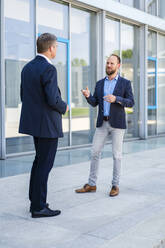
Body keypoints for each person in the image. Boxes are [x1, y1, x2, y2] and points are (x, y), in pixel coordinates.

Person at [19, 33, 69, 218]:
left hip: (34, 124)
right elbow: (52, 98)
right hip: (47, 125)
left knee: (38, 162)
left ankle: (36, 201)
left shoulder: (27, 68)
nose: (56, 50)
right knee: (44, 165)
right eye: (56, 47)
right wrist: (65, 106)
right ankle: (39, 207)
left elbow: (23, 96)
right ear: (51, 48)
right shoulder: (49, 69)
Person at [75, 54, 134, 197]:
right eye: (107, 63)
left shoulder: (125, 83)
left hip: (117, 125)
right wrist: (88, 96)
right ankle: (92, 184)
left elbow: (131, 102)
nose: (108, 65)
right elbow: (95, 102)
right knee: (95, 152)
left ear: (118, 66)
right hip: (102, 123)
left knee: (117, 156)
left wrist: (116, 99)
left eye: (112, 63)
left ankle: (115, 185)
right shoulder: (100, 83)